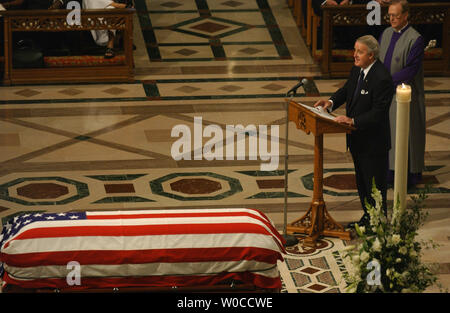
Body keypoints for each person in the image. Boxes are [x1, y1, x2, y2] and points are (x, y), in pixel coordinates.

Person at [314, 35, 394, 228]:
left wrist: (353, 120)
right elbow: (347, 90)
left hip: (373, 143)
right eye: (355, 50)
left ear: (371, 55)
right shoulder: (357, 70)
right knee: (363, 183)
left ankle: (378, 224)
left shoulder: (382, 78)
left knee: (374, 186)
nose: (354, 55)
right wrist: (331, 102)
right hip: (357, 140)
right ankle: (368, 218)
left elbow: (378, 112)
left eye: (359, 51)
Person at [379, 0, 425, 188]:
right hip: (386, 92)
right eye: (389, 15)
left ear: (406, 15)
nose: (392, 19)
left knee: (406, 133)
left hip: (405, 94)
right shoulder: (386, 33)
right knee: (389, 133)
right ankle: (389, 171)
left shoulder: (415, 38)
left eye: (395, 16)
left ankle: (408, 174)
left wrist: (387, 82)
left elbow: (411, 69)